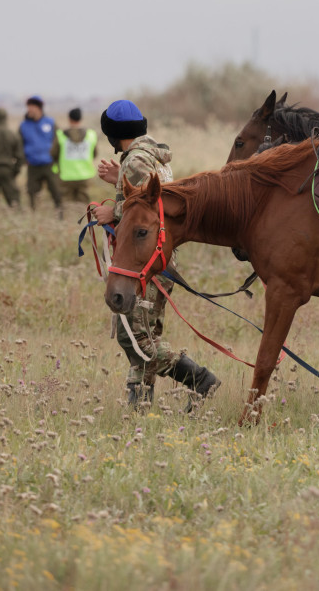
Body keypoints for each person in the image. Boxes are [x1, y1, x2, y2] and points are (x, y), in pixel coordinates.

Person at [90, 100, 221, 409]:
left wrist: (113, 211)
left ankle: (201, 380)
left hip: (143, 261)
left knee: (135, 338)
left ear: (112, 133)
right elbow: (151, 196)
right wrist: (118, 181)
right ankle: (139, 407)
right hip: (157, 260)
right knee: (144, 335)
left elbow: (149, 211)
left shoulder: (136, 161)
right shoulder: (150, 156)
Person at [19, 95, 63, 215]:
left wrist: (57, 158)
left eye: (32, 106)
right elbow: (19, 144)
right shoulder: (24, 125)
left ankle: (60, 215)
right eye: (28, 107)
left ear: (39, 108)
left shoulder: (50, 123)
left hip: (49, 164)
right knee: (32, 193)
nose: (29, 109)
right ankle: (34, 216)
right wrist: (23, 159)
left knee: (56, 191)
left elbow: (59, 140)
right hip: (33, 165)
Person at [52, 107, 98, 202]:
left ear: (69, 119)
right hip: (85, 175)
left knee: (67, 203)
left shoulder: (60, 135)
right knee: (83, 204)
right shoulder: (91, 135)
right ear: (81, 118)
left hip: (65, 175)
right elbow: (94, 154)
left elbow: (53, 154)